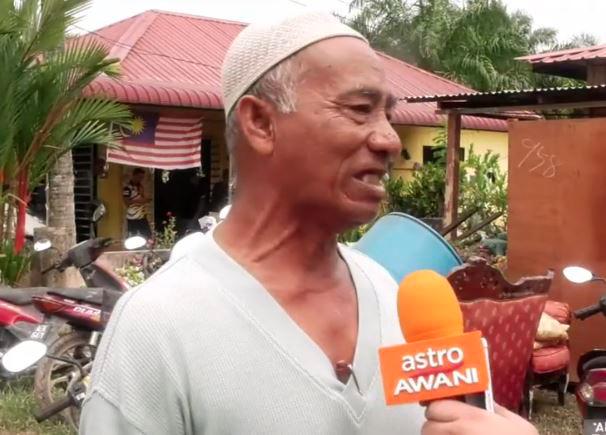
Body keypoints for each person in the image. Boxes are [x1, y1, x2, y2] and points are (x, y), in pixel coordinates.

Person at [80, 12, 538, 435]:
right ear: (260, 122)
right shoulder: (157, 327)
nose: (389, 139)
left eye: (388, 114)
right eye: (360, 109)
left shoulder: (390, 295)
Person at [122, 167, 151, 240]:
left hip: (141, 215)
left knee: (147, 236)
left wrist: (145, 200)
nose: (141, 179)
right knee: (133, 237)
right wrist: (139, 201)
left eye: (142, 177)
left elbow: (142, 198)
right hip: (132, 217)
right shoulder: (127, 188)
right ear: (134, 175)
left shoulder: (140, 187)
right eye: (139, 177)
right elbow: (126, 202)